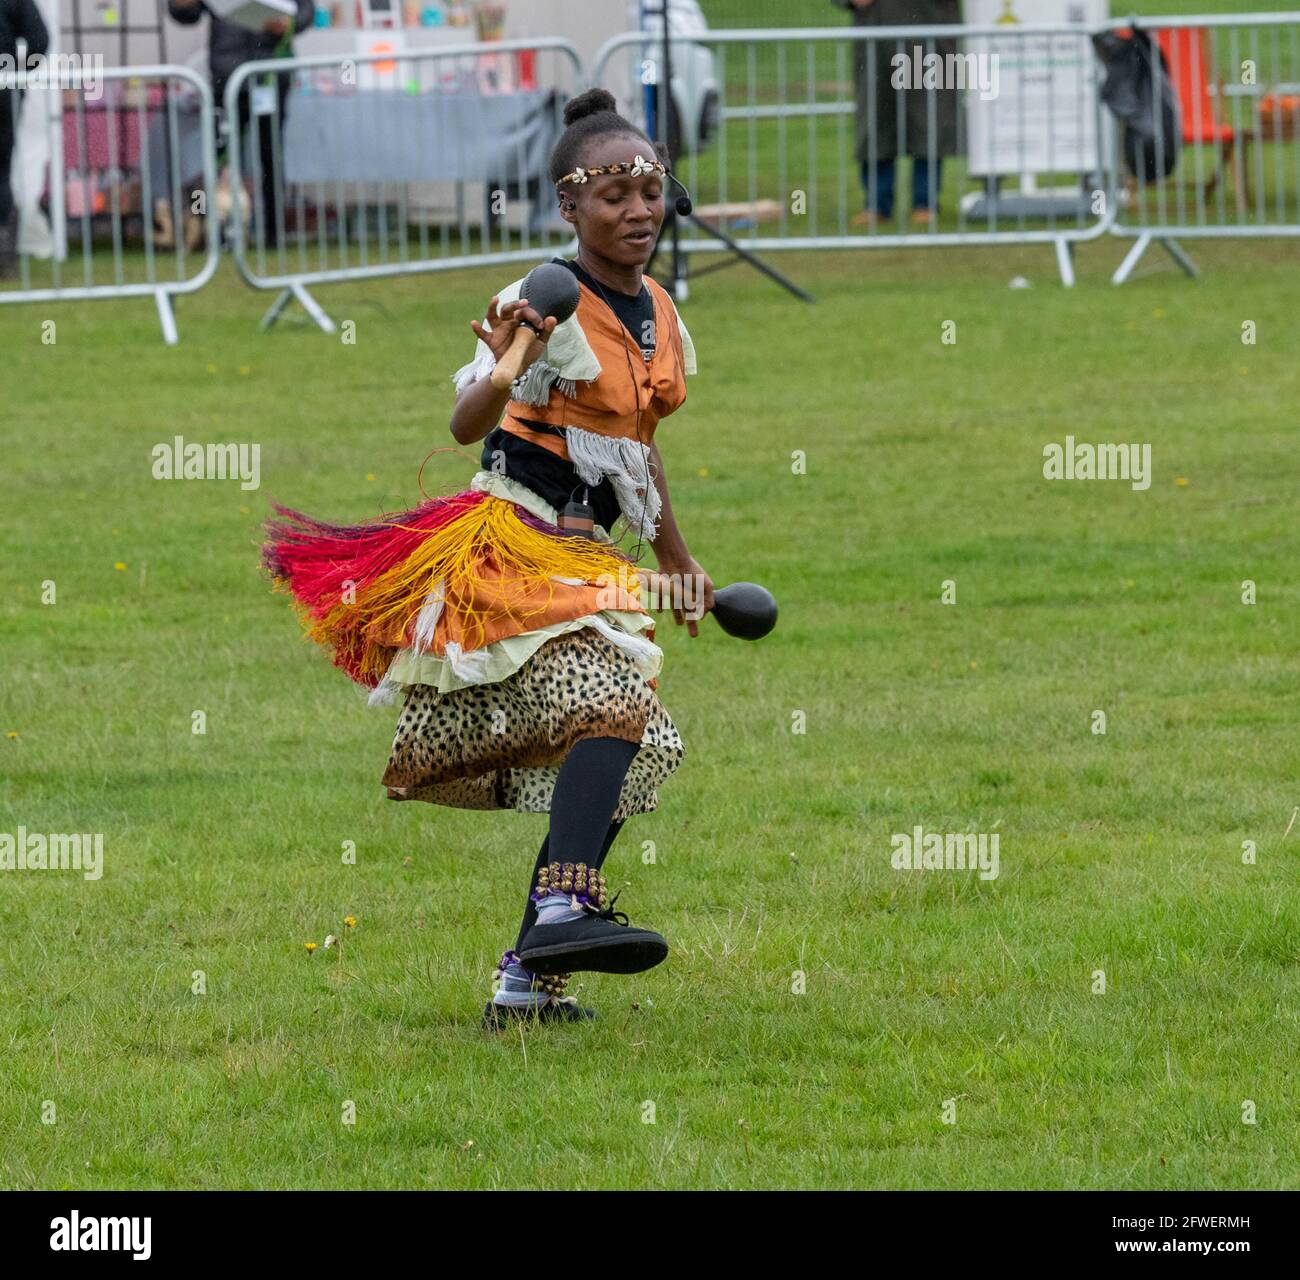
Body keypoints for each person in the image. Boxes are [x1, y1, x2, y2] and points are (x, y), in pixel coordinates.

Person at [263, 87, 714, 1030]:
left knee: (642, 749)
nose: (637, 210)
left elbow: (640, 446)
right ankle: (561, 907)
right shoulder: (542, 296)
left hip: (586, 557)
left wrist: (678, 561)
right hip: (510, 542)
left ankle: (526, 983)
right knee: (612, 704)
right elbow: (468, 420)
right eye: (613, 195)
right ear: (568, 207)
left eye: (650, 191)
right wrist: (509, 364)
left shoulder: (662, 312)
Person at [166, 0, 315, 248]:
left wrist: (291, 23)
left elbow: (306, 9)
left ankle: (273, 232)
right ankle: (203, 228)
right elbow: (185, 14)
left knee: (270, 156)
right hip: (226, 75)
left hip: (270, 71)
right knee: (216, 157)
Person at [832, 0, 960, 227]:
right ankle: (876, 204)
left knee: (929, 120)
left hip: (930, 37)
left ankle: (925, 203)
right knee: (876, 121)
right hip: (876, 41)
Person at [0, 0, 49, 278]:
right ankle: (3, 252)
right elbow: (39, 39)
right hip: (4, 94)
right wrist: (15, 77)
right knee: (1, 169)